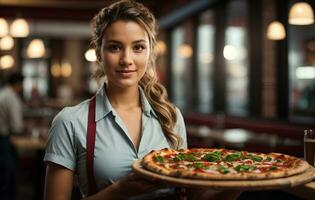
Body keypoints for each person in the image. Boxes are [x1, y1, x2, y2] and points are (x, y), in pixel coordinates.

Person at [44, 1, 240, 199]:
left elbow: (193, 197)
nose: (126, 59)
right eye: (114, 47)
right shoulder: (69, 122)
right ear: (98, 54)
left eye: (138, 47)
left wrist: (242, 181)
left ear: (150, 52)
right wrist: (121, 190)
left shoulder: (171, 118)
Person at [0, 71, 24, 200]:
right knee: (8, 175)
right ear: (19, 84)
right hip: (3, 139)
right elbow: (16, 126)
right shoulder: (12, 97)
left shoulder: (2, 93)